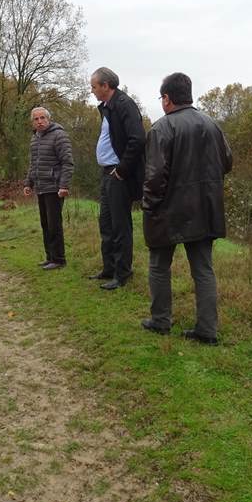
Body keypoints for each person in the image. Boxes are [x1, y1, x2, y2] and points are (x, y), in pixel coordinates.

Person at [140, 72, 233, 344]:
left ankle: (160, 321)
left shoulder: (161, 128)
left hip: (168, 211)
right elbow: (227, 162)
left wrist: (149, 205)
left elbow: (155, 176)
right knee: (203, 270)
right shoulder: (212, 124)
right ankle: (207, 330)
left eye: (161, 97)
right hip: (206, 208)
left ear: (167, 98)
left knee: (159, 265)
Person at [88, 67, 146, 290]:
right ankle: (109, 268)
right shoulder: (107, 108)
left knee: (121, 225)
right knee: (106, 223)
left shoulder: (124, 105)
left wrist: (122, 170)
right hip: (107, 173)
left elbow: (138, 139)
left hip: (119, 174)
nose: (92, 91)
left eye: (94, 86)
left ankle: (123, 274)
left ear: (105, 86)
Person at [23, 106, 74, 270]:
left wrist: (64, 185)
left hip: (55, 187)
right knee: (45, 224)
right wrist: (28, 183)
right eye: (36, 119)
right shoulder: (35, 138)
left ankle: (59, 259)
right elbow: (33, 163)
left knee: (54, 225)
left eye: (42, 118)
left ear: (48, 118)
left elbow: (68, 163)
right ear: (33, 122)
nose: (39, 121)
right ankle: (50, 257)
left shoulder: (59, 135)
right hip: (41, 186)